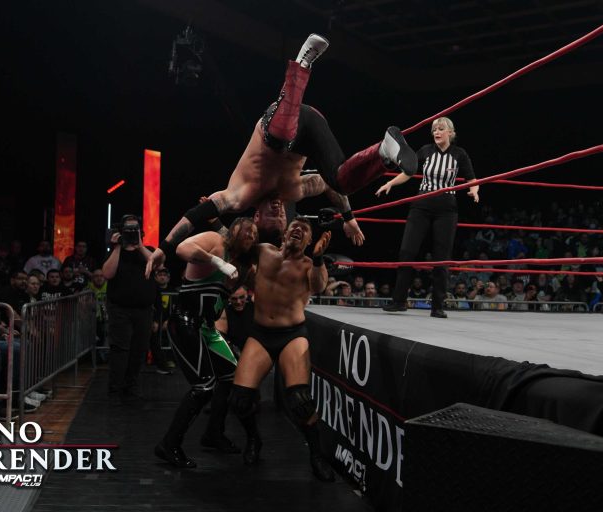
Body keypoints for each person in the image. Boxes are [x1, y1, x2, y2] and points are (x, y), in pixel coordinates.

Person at [146, 33, 419, 274]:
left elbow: (194, 215)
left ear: (256, 217)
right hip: (312, 126)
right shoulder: (295, 191)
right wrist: (349, 218)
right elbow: (329, 188)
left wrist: (163, 249)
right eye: (281, 219)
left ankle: (302, 63)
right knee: (340, 182)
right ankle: (384, 151)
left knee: (279, 141)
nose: (278, 212)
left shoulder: (240, 195)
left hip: (277, 123)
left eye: (271, 218)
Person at [229, 217, 336, 482]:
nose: (298, 230)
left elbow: (319, 286)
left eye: (305, 230)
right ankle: (253, 439)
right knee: (240, 399)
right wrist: (217, 219)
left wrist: (319, 258)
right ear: (285, 233)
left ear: (309, 240)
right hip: (261, 334)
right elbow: (239, 244)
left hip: (292, 335)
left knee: (300, 401)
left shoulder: (309, 264)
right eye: (295, 226)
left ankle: (317, 455)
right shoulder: (264, 251)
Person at [155, 217, 258, 469]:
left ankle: (214, 433)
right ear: (233, 231)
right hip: (185, 322)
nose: (251, 235)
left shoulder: (245, 266)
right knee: (204, 386)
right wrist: (218, 262)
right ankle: (168, 444)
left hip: (207, 328)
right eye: (247, 230)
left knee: (235, 378)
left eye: (255, 233)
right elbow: (182, 249)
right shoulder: (216, 242)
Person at [379, 116, 479, 318]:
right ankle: (399, 301)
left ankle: (438, 306)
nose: (436, 132)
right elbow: (409, 171)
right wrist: (390, 183)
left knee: (441, 258)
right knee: (407, 252)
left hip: (446, 209)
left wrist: (474, 190)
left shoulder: (459, 154)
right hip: (421, 205)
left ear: (450, 132)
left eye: (441, 129)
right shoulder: (425, 151)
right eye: (434, 129)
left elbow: (472, 178)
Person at [102, 215, 157, 403]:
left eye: (135, 229)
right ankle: (115, 389)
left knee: (139, 349)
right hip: (120, 309)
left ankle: (131, 386)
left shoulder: (148, 251)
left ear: (141, 231)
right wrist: (117, 247)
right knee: (119, 350)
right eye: (128, 230)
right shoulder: (115, 252)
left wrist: (139, 245)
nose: (131, 232)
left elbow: (156, 264)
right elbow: (107, 273)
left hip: (143, 310)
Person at [215, 285, 254, 354]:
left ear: (247, 295)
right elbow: (220, 337)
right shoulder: (224, 309)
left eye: (241, 297)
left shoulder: (255, 304)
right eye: (234, 299)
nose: (238, 302)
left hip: (255, 348)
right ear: (229, 298)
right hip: (235, 351)